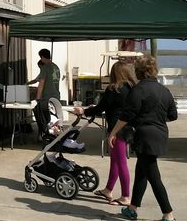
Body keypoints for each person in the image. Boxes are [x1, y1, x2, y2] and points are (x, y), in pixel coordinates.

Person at [109, 56, 177, 221]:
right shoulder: (164, 90)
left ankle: (168, 215)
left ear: (139, 72)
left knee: (154, 178)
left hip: (145, 136)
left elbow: (126, 115)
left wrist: (113, 133)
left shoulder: (138, 90)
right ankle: (132, 209)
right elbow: (172, 115)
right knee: (141, 172)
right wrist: (156, 119)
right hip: (160, 134)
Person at [71, 60, 137, 206]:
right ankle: (108, 190)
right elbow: (109, 106)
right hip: (128, 129)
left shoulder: (114, 89)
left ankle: (126, 196)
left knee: (121, 163)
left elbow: (101, 107)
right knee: (115, 160)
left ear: (115, 74)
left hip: (116, 130)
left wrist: (84, 111)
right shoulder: (132, 89)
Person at [27, 48, 61, 140]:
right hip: (56, 96)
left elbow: (41, 84)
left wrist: (37, 98)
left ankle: (44, 135)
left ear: (42, 56)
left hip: (47, 97)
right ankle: (56, 136)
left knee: (44, 118)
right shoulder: (56, 67)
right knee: (54, 118)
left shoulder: (45, 67)